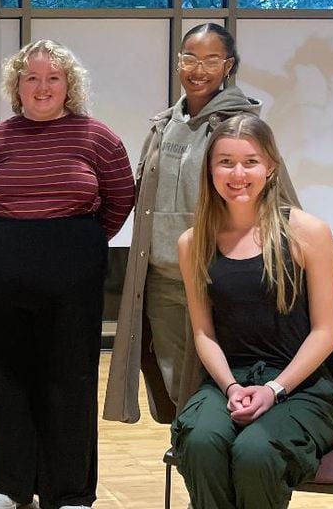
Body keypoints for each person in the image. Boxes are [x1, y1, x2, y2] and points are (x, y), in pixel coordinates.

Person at [0, 39, 134, 509]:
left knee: (70, 378)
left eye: (53, 78)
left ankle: (70, 490)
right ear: (16, 86)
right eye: (32, 78)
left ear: (69, 85)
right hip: (4, 266)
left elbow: (120, 200)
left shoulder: (97, 137)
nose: (42, 87)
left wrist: (71, 240)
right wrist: (23, 238)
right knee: (5, 376)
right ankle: (8, 484)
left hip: (74, 268)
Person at [104, 23, 299, 425]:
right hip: (163, 280)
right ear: (178, 62)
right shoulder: (165, 124)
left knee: (224, 385)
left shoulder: (241, 126)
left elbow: (280, 197)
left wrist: (314, 270)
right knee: (178, 391)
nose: (199, 69)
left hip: (222, 278)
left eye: (211, 60)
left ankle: (227, 478)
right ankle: (195, 471)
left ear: (228, 66)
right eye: (190, 58)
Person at [172, 115, 333, 508]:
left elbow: (325, 332)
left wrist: (273, 389)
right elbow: (203, 333)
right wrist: (232, 387)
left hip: (299, 388)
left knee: (255, 453)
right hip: (226, 384)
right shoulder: (192, 242)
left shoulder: (308, 232)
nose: (238, 173)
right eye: (225, 161)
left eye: (250, 161)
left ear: (271, 167)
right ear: (210, 169)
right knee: (200, 442)